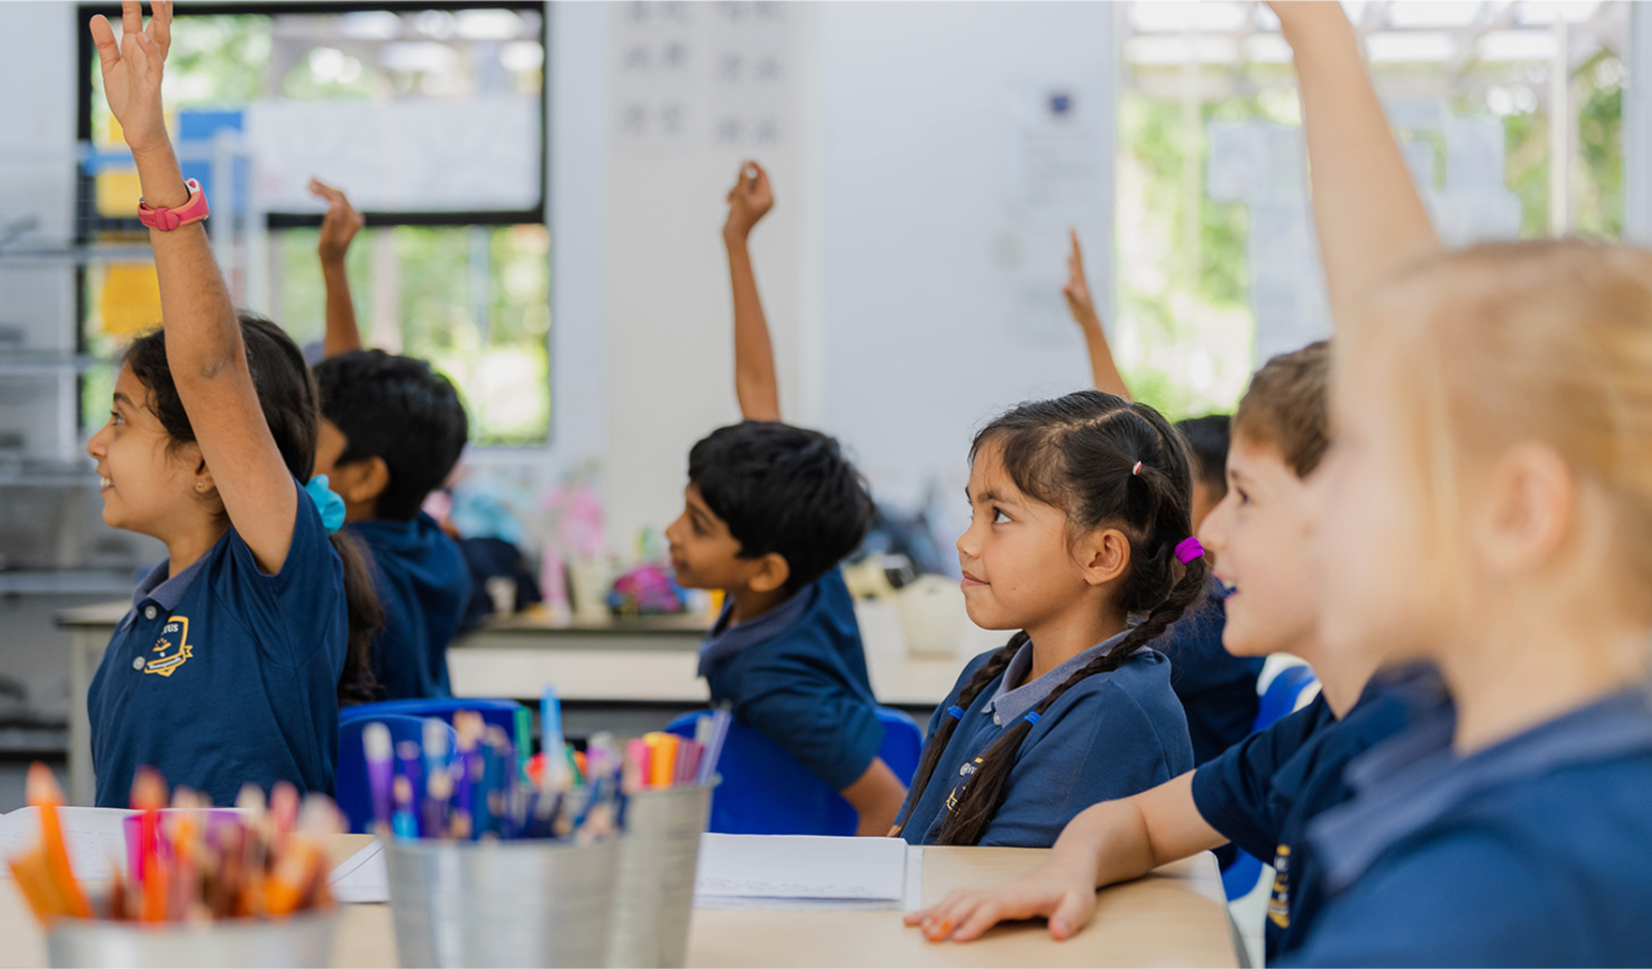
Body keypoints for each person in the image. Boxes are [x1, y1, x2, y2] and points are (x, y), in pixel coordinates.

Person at [1275, 5, 1652, 965]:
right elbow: (1409, 331)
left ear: (1518, 510)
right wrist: (1318, 36)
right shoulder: (1570, 743)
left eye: (1352, 450)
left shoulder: (1484, 906)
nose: (1312, 503)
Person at [906, 343, 1439, 962]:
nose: (1206, 533)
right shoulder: (1314, 737)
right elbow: (1140, 822)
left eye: (1246, 497)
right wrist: (1070, 866)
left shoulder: (1424, 757)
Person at [84, 0, 380, 807]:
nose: (94, 445)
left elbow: (211, 368)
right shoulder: (147, 613)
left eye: (120, 418)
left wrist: (147, 143)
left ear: (210, 464)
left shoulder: (276, 584)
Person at [665, 162, 908, 835]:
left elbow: (888, 807)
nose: (671, 532)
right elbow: (758, 388)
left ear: (764, 566)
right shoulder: (804, 559)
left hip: (806, 847)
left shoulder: (771, 680)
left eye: (698, 524)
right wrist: (737, 242)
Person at [890, 390, 1201, 847]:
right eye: (972, 511)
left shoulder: (1107, 715)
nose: (965, 542)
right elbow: (905, 839)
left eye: (999, 515)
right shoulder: (983, 678)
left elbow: (994, 896)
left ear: (1100, 555)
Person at [1066, 228, 1262, 772]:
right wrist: (1090, 326)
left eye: (1177, 489)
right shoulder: (1191, 585)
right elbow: (1135, 440)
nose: (1155, 496)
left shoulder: (1212, 619)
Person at [306, 180, 472, 701]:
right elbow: (346, 404)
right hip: (429, 761)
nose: (290, 444)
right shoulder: (431, 547)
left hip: (364, 773)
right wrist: (334, 270)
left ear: (364, 478)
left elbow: (346, 416)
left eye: (309, 436)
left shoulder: (340, 569)